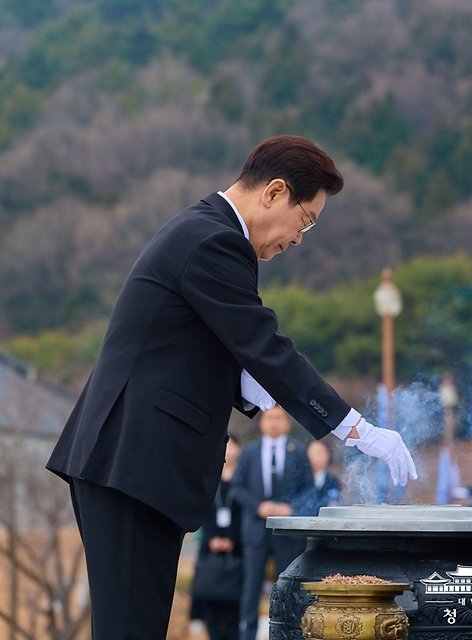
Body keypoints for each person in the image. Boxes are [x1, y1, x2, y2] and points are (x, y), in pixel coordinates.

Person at [45, 135, 417, 639]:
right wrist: (357, 430)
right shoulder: (214, 241)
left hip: (131, 464)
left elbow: (214, 353)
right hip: (131, 463)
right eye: (304, 220)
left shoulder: (205, 231)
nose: (299, 238)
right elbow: (266, 348)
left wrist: (258, 392)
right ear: (274, 192)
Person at [232, 407, 314, 640]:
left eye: (279, 418)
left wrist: (292, 508)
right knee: (251, 589)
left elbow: (309, 488)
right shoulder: (249, 452)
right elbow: (237, 487)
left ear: (287, 423)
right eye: (270, 418)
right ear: (261, 423)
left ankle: (290, 634)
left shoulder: (298, 451)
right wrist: (258, 506)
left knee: (289, 588)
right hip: (256, 530)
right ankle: (247, 635)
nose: (274, 423)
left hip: (287, 533)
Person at [190, 435, 244, 640]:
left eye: (233, 447)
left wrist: (232, 539)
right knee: (210, 606)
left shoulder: (243, 477)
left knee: (234, 609)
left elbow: (243, 513)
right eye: (226, 446)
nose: (228, 451)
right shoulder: (207, 475)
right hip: (209, 548)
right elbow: (202, 509)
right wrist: (212, 538)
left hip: (238, 548)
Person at [307, 439, 341, 510]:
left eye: (320, 453)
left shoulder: (333, 481)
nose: (317, 458)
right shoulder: (301, 480)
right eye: (315, 453)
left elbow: (334, 504)